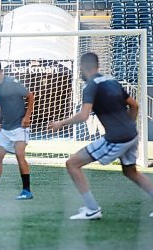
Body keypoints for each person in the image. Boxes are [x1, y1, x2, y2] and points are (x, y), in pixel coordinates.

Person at [49, 52, 153, 219]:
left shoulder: (90, 86)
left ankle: (92, 209)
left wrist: (60, 123)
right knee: (130, 172)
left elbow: (84, 115)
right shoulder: (112, 80)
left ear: (82, 67)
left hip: (117, 138)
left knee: (72, 163)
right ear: (98, 66)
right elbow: (134, 105)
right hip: (132, 134)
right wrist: (128, 126)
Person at [0, 57, 35, 200]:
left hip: (19, 127)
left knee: (19, 156)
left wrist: (27, 117)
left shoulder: (12, 83)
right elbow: (3, 104)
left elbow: (30, 96)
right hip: (6, 128)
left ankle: (27, 191)